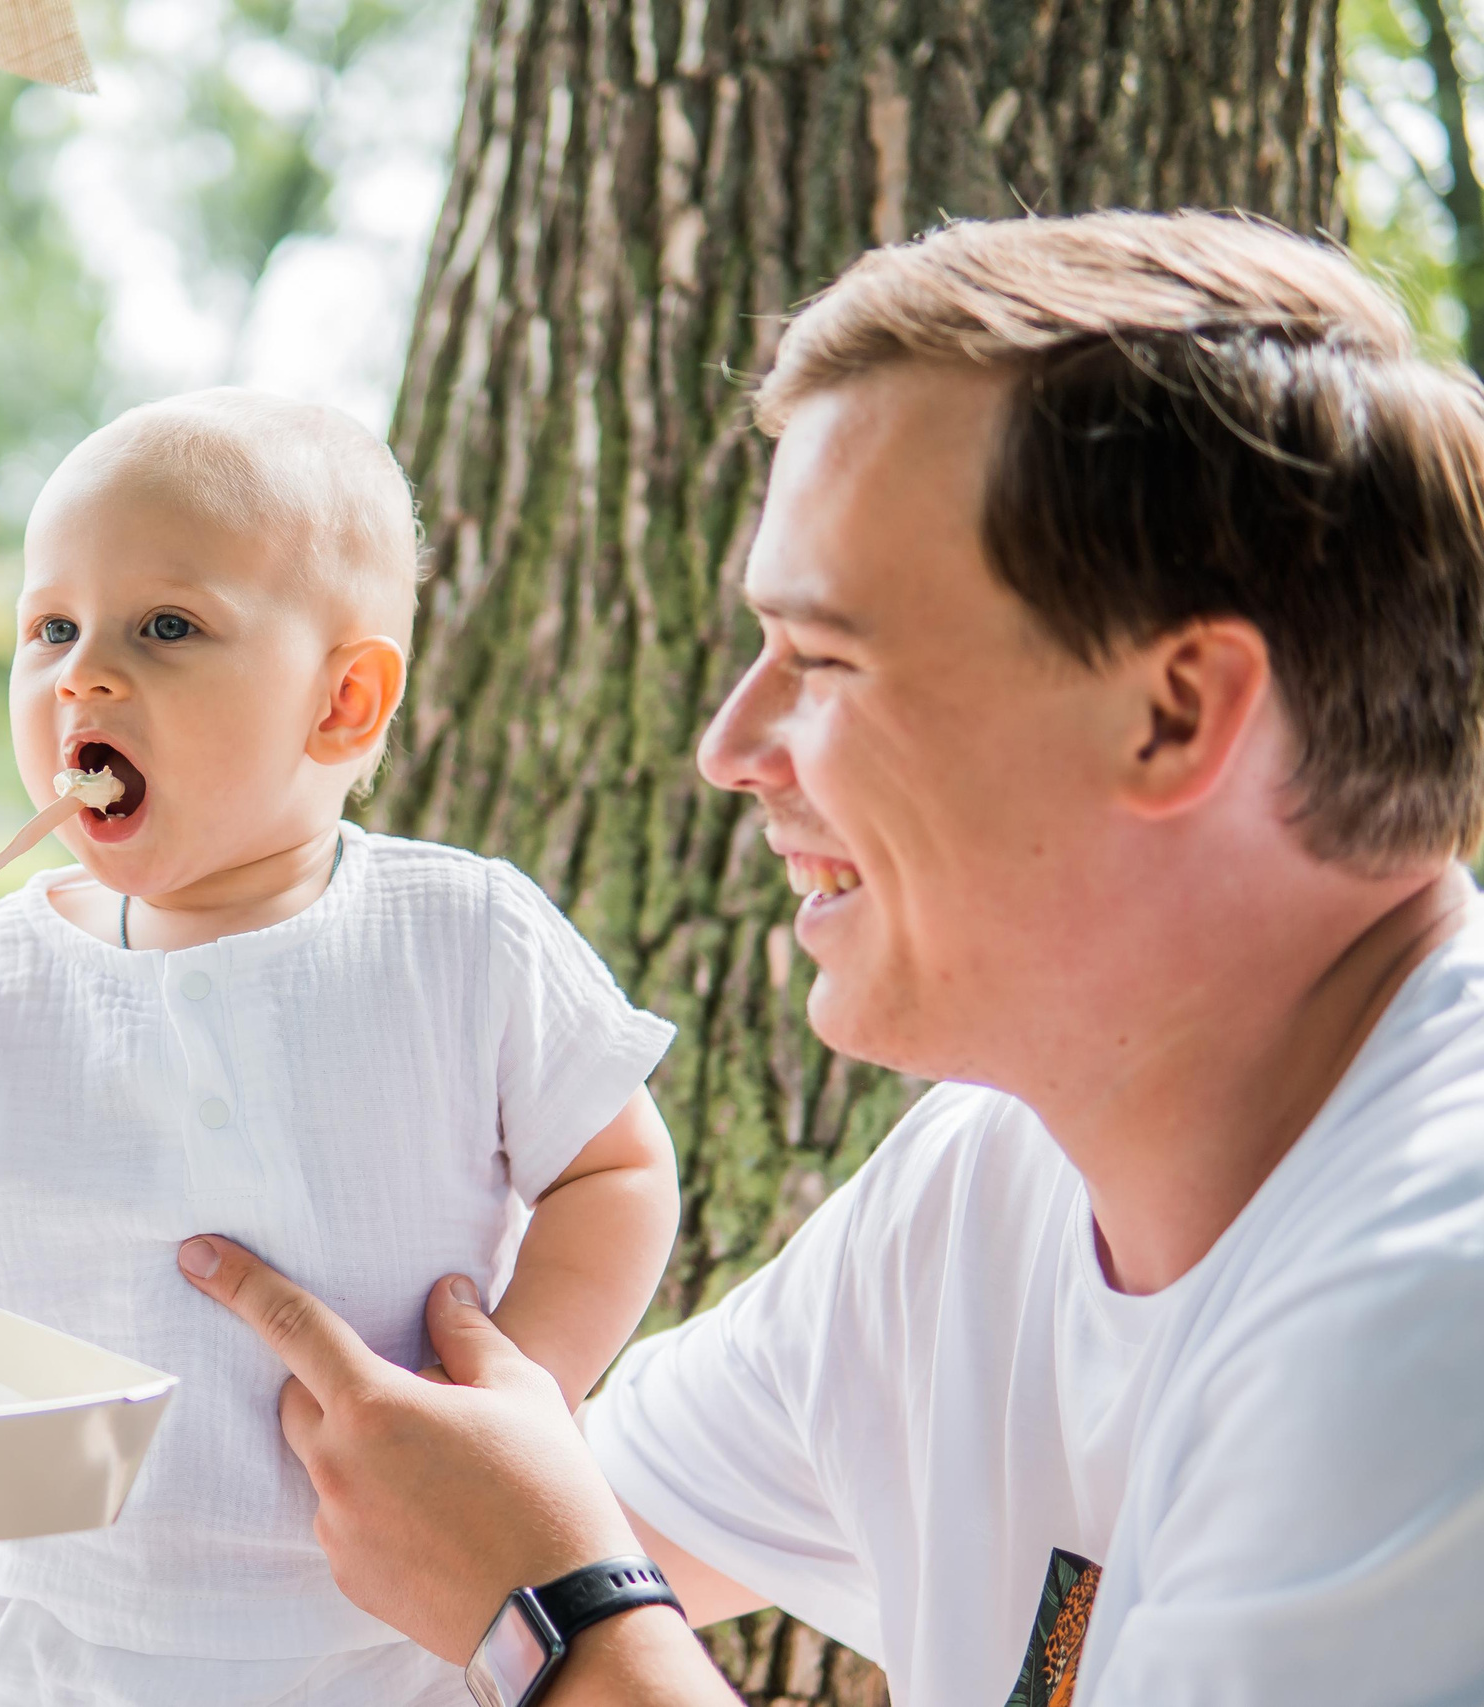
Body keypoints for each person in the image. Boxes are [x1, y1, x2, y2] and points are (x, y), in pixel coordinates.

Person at [162, 211, 1484, 1706]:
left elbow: (537, 1574)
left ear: (1175, 716)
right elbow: (479, 1526)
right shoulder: (985, 1187)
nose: (730, 749)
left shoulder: (1431, 1335)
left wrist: (564, 1629)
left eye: (827, 659)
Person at [0, 389, 685, 1705]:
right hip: (41, 1636)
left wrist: (514, 1402)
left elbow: (618, 1174)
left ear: (345, 704)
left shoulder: (461, 933)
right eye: (51, 627)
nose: (83, 671)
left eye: (167, 626)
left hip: (377, 1640)